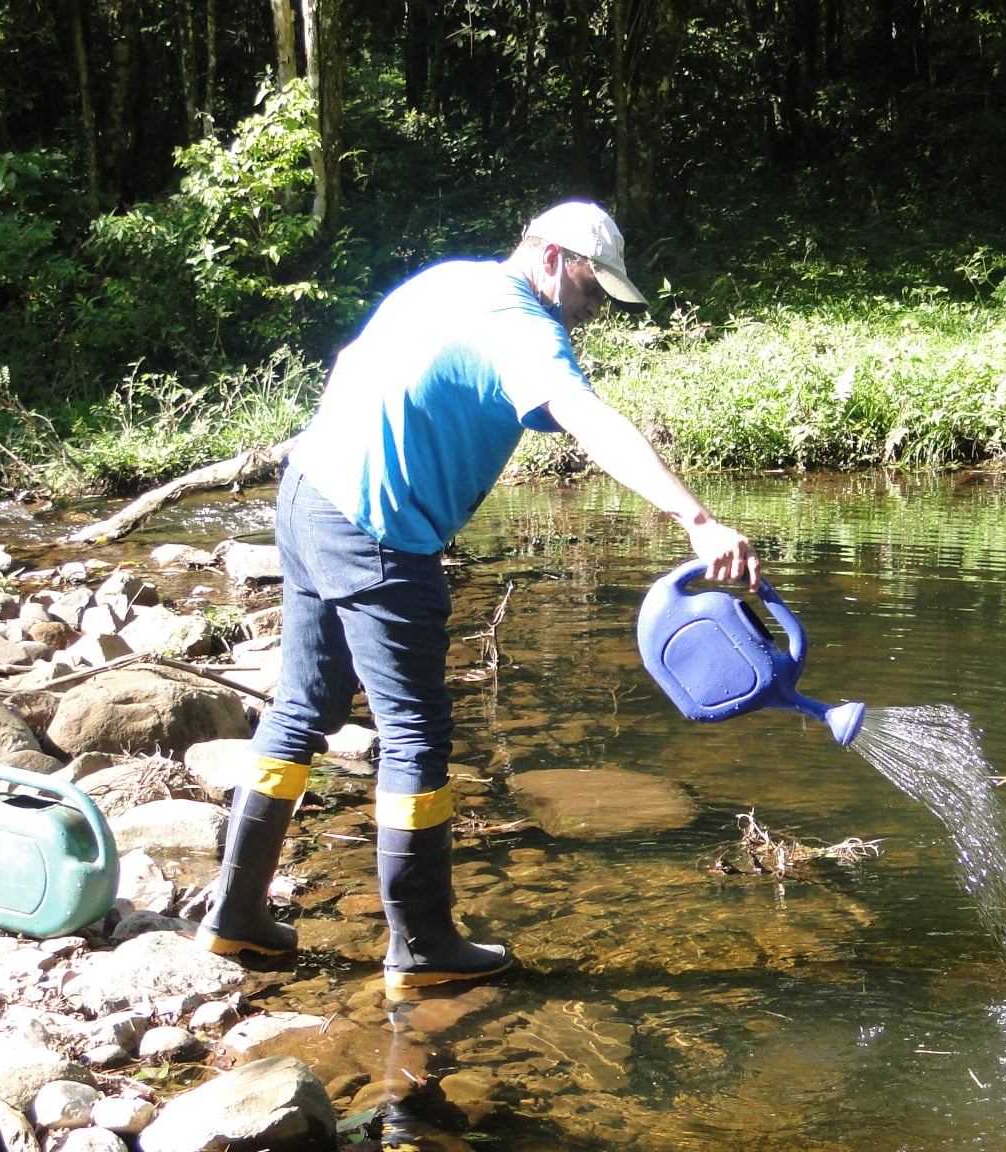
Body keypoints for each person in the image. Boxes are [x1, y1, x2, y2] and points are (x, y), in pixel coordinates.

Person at [196, 200, 760, 991]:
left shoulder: (449, 280)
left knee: (302, 709)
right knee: (416, 735)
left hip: (308, 493)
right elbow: (585, 416)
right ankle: (422, 946)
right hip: (378, 528)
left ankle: (235, 917)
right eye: (594, 292)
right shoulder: (523, 322)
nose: (594, 312)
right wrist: (695, 518)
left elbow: (351, 362)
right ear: (558, 260)